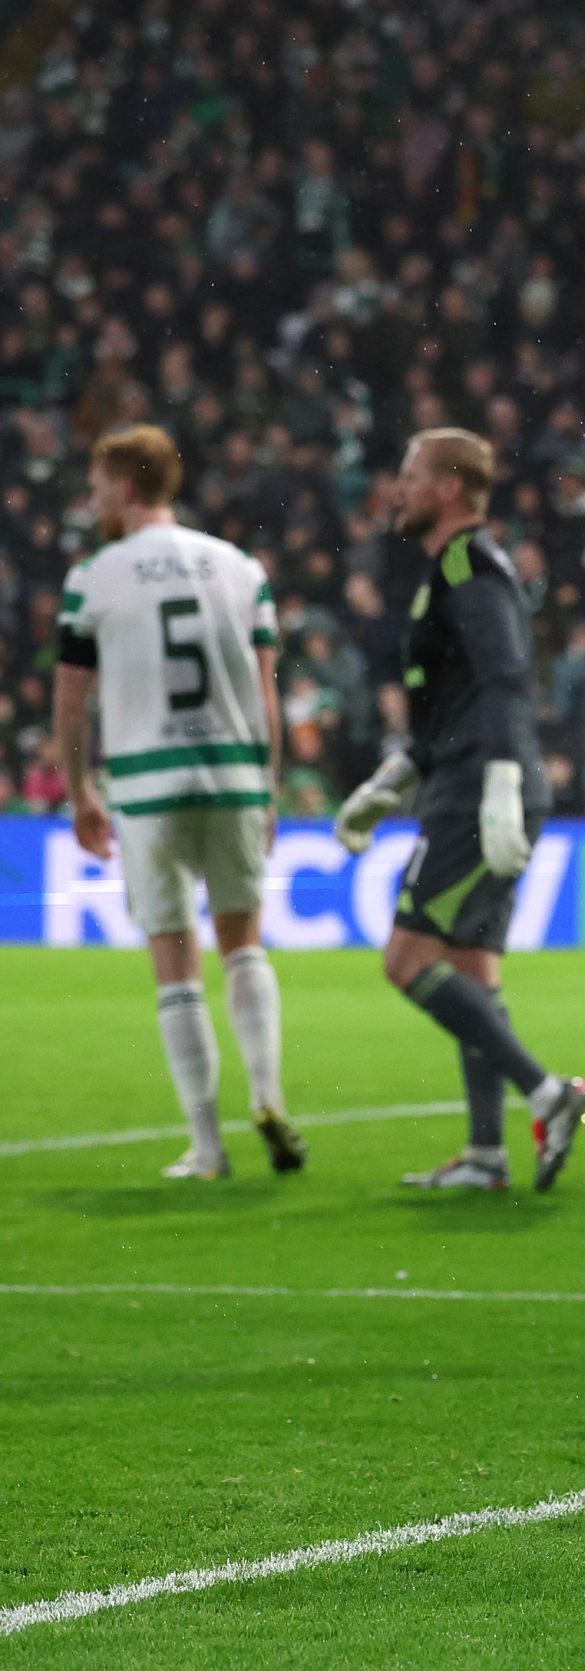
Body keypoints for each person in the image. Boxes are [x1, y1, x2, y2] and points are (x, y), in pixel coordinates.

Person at [333, 428, 585, 1192]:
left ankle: (547, 1093)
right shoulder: (452, 570)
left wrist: (502, 780)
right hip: (471, 778)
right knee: (472, 968)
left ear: (449, 488)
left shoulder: (466, 564)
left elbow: (508, 678)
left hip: (480, 791)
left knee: (407, 962)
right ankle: (485, 1155)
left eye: (411, 475)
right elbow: (451, 711)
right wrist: (388, 784)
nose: (398, 489)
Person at [51, 424, 302, 1181]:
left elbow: (71, 700)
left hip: (147, 780)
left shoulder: (94, 576)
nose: (92, 501)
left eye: (99, 488)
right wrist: (268, 785)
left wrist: (80, 789)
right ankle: (269, 1095)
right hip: (233, 774)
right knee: (243, 941)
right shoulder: (239, 567)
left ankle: (208, 1145)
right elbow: (266, 692)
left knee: (174, 957)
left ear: (128, 486)